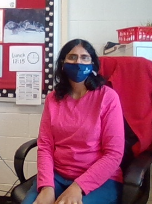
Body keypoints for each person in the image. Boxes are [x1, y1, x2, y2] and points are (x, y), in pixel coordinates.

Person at [22, 39, 124, 204]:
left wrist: (78, 187)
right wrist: (47, 186)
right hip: (57, 176)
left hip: (100, 180)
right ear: (63, 63)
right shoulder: (53, 99)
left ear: (93, 64)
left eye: (85, 57)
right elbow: (45, 146)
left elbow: (114, 154)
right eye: (72, 57)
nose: (78, 62)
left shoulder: (107, 97)